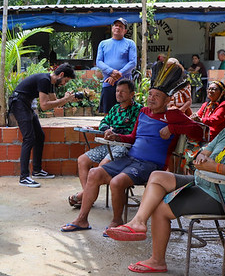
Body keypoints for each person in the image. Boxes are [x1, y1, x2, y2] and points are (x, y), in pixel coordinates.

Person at [104, 95, 225, 274]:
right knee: (157, 176)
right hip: (205, 183)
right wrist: (202, 158)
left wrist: (216, 167)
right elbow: (205, 151)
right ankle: (138, 222)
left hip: (222, 196)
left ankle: (157, 261)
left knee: (160, 209)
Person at [61, 63, 204, 232]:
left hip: (151, 165)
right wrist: (117, 137)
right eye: (150, 94)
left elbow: (198, 131)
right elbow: (133, 137)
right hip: (131, 158)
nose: (151, 98)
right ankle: (82, 220)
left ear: (167, 100)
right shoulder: (143, 112)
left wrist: (172, 128)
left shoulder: (173, 115)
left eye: (157, 96)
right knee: (94, 173)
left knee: (116, 182)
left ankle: (116, 222)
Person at [66, 78, 142, 210]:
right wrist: (107, 129)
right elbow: (103, 123)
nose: (118, 94)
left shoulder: (138, 110)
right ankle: (88, 196)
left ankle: (84, 196)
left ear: (132, 94)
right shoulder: (115, 108)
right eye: (117, 91)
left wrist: (115, 132)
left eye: (123, 91)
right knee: (82, 160)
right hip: (109, 144)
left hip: (125, 146)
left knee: (101, 167)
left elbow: (133, 131)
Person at [9, 63, 77, 187]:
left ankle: (37, 170)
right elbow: (44, 106)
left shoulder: (50, 83)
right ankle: (24, 177)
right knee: (29, 138)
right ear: (61, 74)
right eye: (65, 81)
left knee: (39, 136)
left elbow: (55, 102)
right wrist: (64, 100)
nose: (64, 84)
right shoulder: (44, 80)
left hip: (26, 104)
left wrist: (67, 99)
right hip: (18, 103)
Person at [96, 18, 137, 113]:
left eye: (121, 26)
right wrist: (112, 72)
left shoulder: (130, 43)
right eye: (116, 25)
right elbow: (99, 62)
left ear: (125, 31)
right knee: (108, 112)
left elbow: (132, 62)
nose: (118, 27)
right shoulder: (103, 44)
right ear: (112, 28)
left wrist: (117, 75)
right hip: (108, 83)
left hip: (125, 85)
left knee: (126, 112)